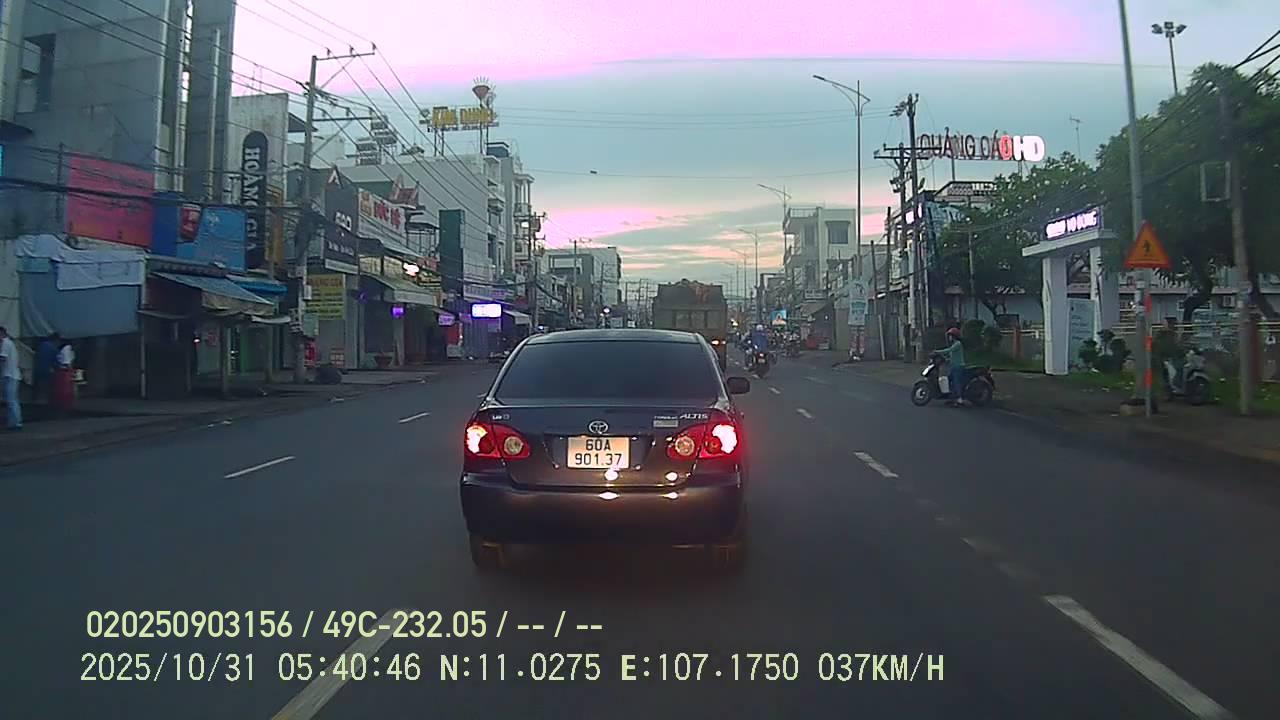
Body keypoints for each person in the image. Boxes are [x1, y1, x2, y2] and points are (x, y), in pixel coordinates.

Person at [935, 326, 967, 406]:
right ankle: (952, 398)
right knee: (949, 381)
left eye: (950, 336)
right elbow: (952, 355)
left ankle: (959, 399)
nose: (949, 338)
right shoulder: (954, 344)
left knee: (956, 382)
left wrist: (937, 352)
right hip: (954, 366)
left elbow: (949, 350)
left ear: (954, 336)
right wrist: (946, 359)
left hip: (958, 366)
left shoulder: (958, 344)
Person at [0, 326, 22, 430]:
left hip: (10, 375)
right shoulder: (10, 343)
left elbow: (2, 358)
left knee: (11, 400)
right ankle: (12, 422)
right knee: (12, 400)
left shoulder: (5, 343)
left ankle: (16, 423)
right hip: (11, 375)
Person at [34, 333, 59, 404]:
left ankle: (36, 399)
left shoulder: (41, 345)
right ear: (56, 340)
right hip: (47, 370)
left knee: (38, 385)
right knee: (48, 386)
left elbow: (36, 356)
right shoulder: (54, 348)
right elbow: (56, 362)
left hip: (37, 368)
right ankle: (47, 400)